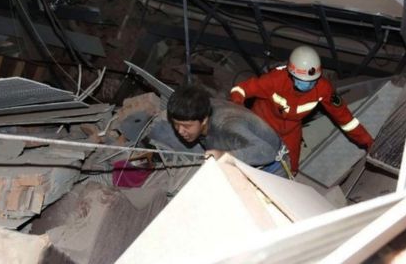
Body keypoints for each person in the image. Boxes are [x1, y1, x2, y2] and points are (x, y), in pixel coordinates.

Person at [230, 45, 373, 174]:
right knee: (248, 156)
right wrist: (239, 112)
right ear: (291, 74)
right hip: (261, 124)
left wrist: (368, 142)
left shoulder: (323, 89)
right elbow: (241, 90)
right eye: (302, 80)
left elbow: (345, 119)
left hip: (291, 131)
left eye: (312, 81)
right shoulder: (274, 80)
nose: (308, 85)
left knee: (291, 168)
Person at [148, 84, 291, 178]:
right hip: (245, 153)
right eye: (176, 124)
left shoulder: (228, 126)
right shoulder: (200, 107)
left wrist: (225, 155)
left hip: (272, 166)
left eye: (186, 126)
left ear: (204, 120)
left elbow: (267, 151)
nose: (180, 131)